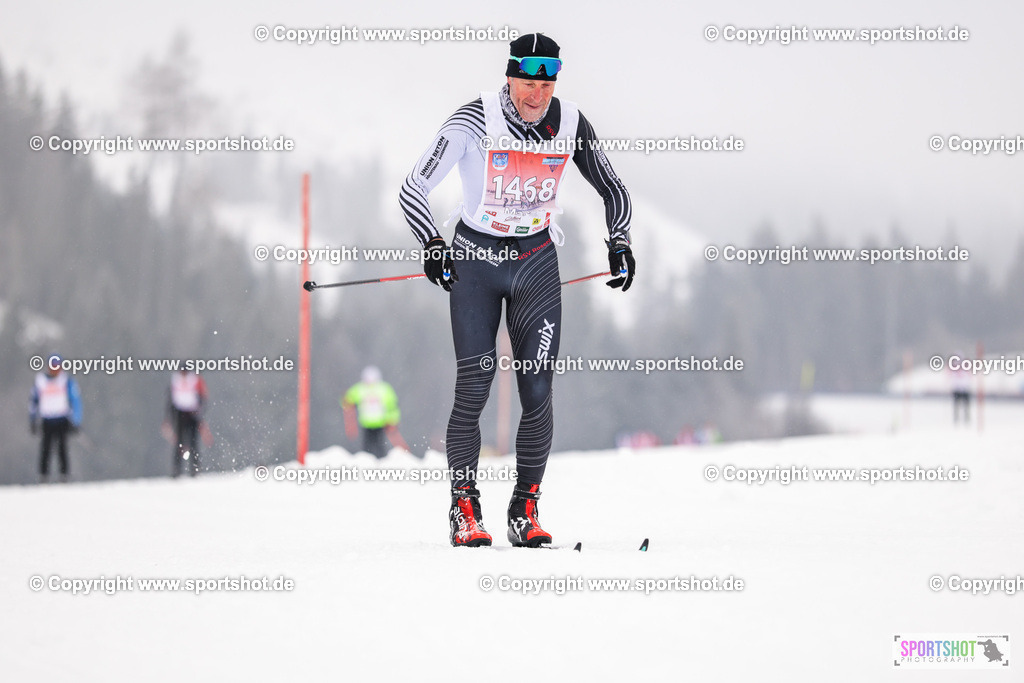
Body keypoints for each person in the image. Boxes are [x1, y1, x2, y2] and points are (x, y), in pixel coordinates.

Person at [399, 33, 635, 547]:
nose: (537, 96)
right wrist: (432, 243)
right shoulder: (472, 120)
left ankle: (524, 508)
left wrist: (620, 241)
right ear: (509, 77)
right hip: (476, 263)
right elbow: (412, 187)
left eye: (546, 85)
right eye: (528, 83)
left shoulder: (570, 123)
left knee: (538, 390)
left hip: (534, 262)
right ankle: (465, 508)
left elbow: (613, 188)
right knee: (475, 386)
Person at [29, 353, 83, 483]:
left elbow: (76, 401)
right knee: (45, 448)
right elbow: (33, 401)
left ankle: (64, 475)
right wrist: (32, 419)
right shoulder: (40, 381)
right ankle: (43, 475)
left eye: (58, 366)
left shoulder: (66, 381)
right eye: (53, 366)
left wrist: (76, 421)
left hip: (62, 419)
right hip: (47, 420)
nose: (55, 369)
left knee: (62, 448)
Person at [342, 366, 407, 459]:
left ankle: (380, 462)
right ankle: (367, 462)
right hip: (366, 423)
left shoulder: (383, 389)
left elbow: (392, 406)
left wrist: (393, 420)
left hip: (380, 423)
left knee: (380, 446)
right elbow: (347, 400)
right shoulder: (360, 388)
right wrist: (346, 400)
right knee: (367, 446)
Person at [164, 370, 207, 477]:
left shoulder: (194, 380)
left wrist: (200, 412)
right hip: (180, 415)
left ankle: (194, 469)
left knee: (193, 443)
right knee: (179, 443)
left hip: (192, 415)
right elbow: (170, 399)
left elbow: (202, 396)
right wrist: (169, 417)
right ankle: (177, 470)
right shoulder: (176, 380)